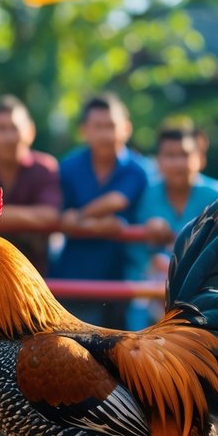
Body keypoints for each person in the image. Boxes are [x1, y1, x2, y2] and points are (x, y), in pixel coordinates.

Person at [53, 93, 151, 328]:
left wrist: (79, 219)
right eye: (98, 126)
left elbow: (116, 201)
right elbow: (60, 218)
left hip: (123, 280)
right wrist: (102, 225)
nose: (106, 134)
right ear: (84, 130)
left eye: (111, 126)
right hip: (72, 278)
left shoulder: (140, 170)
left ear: (126, 128)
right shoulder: (68, 167)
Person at [125, 127, 218, 329]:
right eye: (170, 155)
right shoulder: (147, 194)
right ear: (158, 161)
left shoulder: (217, 195)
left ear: (200, 158)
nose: (178, 163)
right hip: (149, 290)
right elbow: (136, 252)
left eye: (185, 155)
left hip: (202, 289)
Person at [0, 95, 61, 273]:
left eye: (14, 128)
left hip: (35, 275)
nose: (9, 137)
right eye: (1, 129)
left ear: (30, 131)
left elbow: (50, 216)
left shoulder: (45, 169)